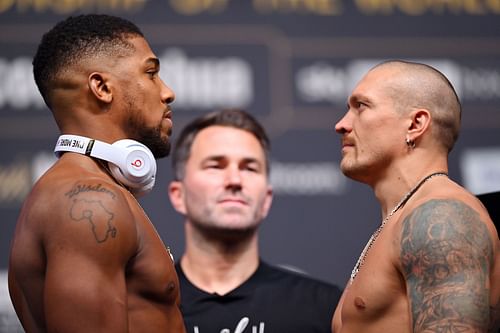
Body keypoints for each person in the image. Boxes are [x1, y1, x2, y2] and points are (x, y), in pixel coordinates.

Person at [8, 14, 186, 332]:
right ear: (102, 87)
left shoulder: (82, 192)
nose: (168, 92)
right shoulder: (88, 202)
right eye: (151, 74)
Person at [332, 60, 500, 332]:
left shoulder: (440, 216)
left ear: (415, 123)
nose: (341, 125)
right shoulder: (402, 219)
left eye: (361, 106)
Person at [167, 109, 342, 333]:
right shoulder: (143, 306)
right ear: (178, 195)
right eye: (215, 166)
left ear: (267, 199)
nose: (235, 180)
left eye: (249, 167)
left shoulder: (326, 309)